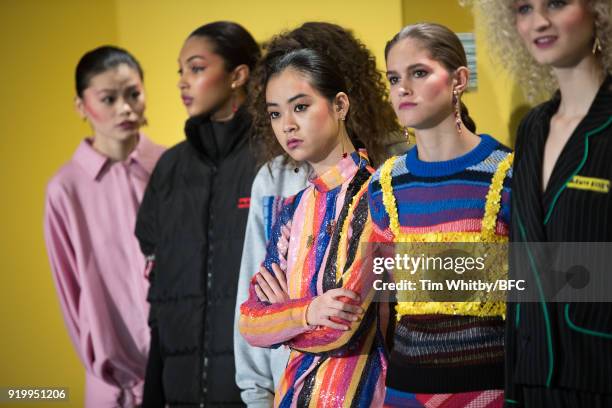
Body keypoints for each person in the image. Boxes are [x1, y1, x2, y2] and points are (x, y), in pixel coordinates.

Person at [233, 21, 404, 407]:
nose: (287, 125)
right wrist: (309, 309)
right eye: (275, 113)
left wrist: (284, 316)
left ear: (341, 103)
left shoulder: (378, 194)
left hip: (360, 393)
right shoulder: (292, 206)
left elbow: (340, 327)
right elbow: (249, 321)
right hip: (290, 394)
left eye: (301, 106)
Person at [477, 0, 612, 406]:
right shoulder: (533, 126)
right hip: (533, 376)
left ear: (599, 10)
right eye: (523, 8)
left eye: (556, 2)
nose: (538, 21)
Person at [370, 23, 513, 407]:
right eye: (394, 77)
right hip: (405, 388)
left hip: (491, 386)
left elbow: (550, 285)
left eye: (419, 72)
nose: (403, 87)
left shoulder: (509, 173)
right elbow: (386, 298)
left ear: (458, 80)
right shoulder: (384, 184)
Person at [135, 21, 260, 407]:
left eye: (197, 68)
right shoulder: (170, 168)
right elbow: (161, 295)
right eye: (180, 71)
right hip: (179, 391)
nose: (183, 82)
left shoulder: (272, 160)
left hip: (255, 393)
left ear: (238, 75)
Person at [44, 45, 165, 407]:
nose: (125, 108)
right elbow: (71, 295)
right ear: (82, 106)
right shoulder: (64, 189)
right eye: (108, 99)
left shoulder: (172, 166)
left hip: (179, 374)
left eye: (133, 94)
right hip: (112, 390)